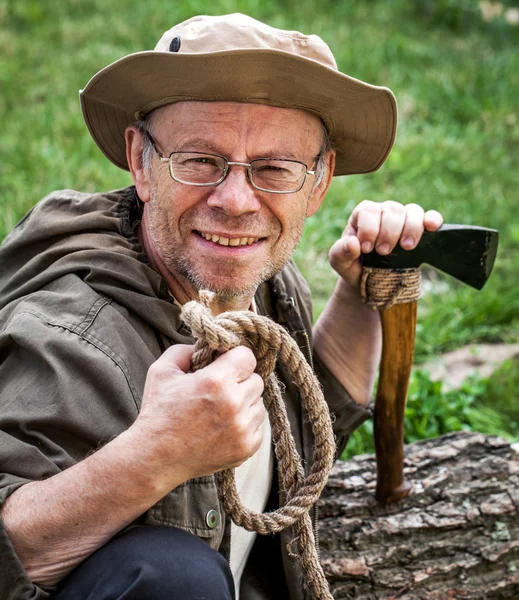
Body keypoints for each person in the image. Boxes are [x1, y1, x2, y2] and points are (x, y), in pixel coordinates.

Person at [0, 13, 442, 600]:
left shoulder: (262, 286)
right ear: (141, 163)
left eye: (274, 169)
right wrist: (155, 455)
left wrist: (360, 294)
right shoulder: (76, 341)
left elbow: (303, 425)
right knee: (169, 575)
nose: (235, 201)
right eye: (201, 160)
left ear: (319, 181)